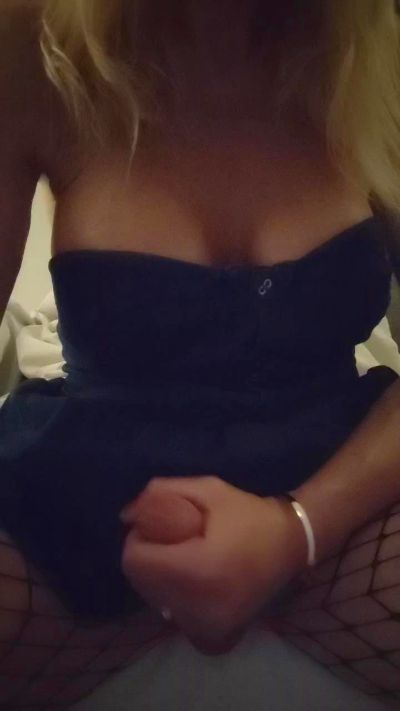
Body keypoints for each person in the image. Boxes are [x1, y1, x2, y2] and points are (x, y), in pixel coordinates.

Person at [0, 0, 400, 707]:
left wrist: (295, 532)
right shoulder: (30, 41)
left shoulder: (377, 54)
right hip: (83, 504)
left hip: (339, 496)